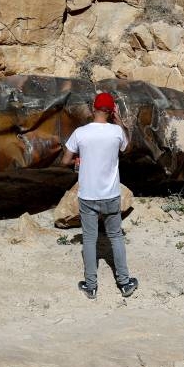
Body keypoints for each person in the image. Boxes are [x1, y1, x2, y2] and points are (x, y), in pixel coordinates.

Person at [61, 92, 138, 300]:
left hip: (88, 196)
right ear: (111, 111)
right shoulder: (116, 132)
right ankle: (124, 283)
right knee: (115, 237)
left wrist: (79, 159)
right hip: (111, 195)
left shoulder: (80, 133)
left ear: (93, 108)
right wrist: (121, 122)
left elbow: (65, 160)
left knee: (89, 239)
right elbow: (127, 147)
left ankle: (91, 285)